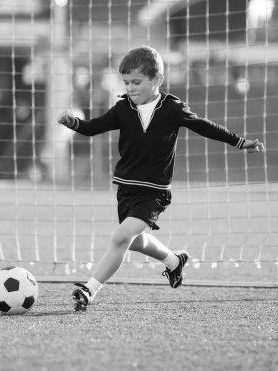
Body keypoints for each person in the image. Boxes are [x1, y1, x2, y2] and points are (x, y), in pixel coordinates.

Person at [57, 46, 265, 312]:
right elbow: (92, 127)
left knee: (121, 237)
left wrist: (239, 142)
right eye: (126, 82)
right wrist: (73, 122)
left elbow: (204, 126)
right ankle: (174, 260)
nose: (130, 88)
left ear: (156, 80)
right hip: (126, 187)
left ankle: (89, 290)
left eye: (136, 82)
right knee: (133, 240)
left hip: (154, 191)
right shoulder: (122, 108)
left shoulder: (171, 108)